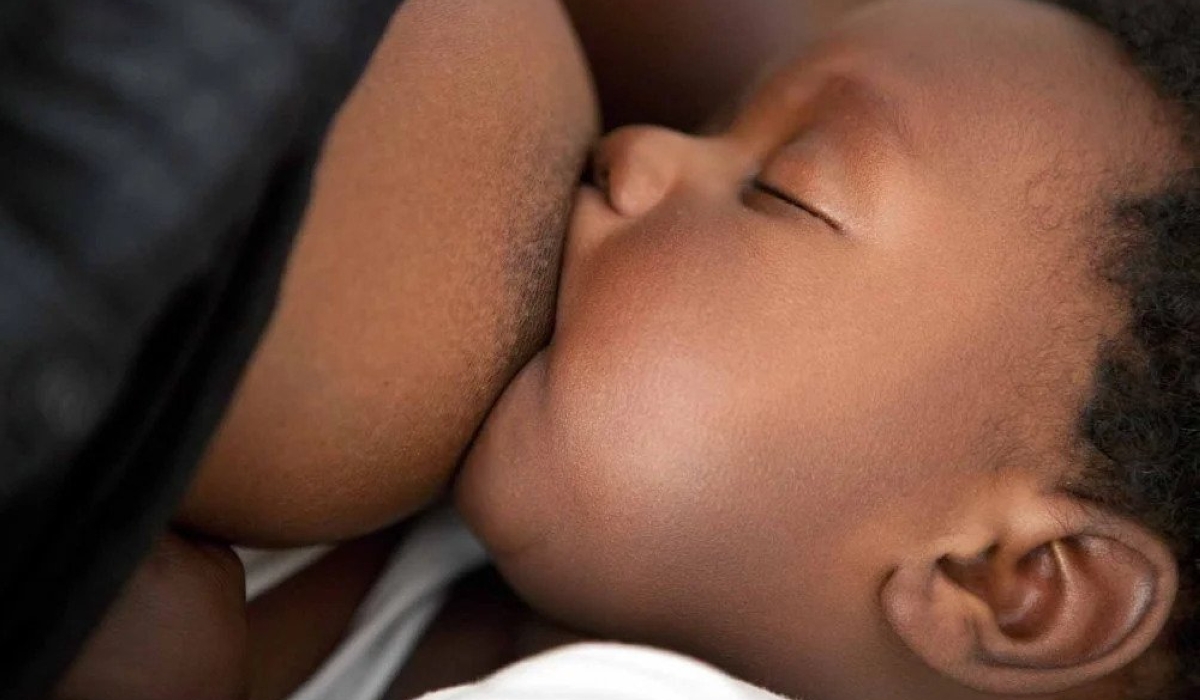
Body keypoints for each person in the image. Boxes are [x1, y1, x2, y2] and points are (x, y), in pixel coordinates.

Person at [43, 0, 1200, 700]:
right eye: (715, 125)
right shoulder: (497, 580)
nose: (635, 148)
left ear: (1006, 584)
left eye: (785, 193)